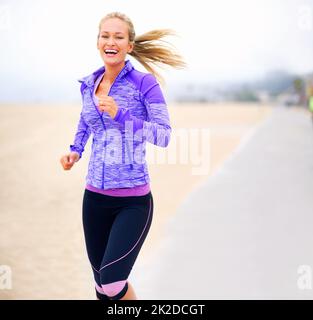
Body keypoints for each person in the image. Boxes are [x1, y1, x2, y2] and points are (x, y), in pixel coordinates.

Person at [59, 11, 186, 300]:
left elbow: (163, 135)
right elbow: (85, 120)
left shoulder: (145, 84)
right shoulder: (88, 85)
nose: (111, 41)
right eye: (105, 35)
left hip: (133, 201)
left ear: (129, 45)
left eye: (119, 36)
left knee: (114, 284)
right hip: (94, 198)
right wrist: (74, 151)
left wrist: (121, 114)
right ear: (97, 42)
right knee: (101, 289)